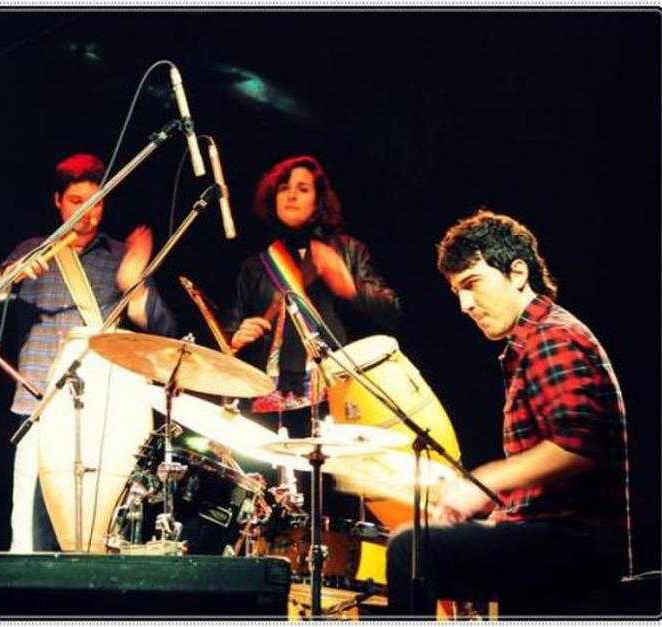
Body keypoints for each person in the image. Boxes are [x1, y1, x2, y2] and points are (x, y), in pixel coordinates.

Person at [385, 210, 631, 616]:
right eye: (456, 292)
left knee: (410, 549)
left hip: (575, 547)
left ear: (517, 273)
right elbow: (545, 484)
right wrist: (480, 503)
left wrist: (485, 480)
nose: (464, 304)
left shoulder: (554, 337)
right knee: (433, 543)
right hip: (554, 538)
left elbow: (578, 447)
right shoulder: (537, 339)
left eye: (472, 283)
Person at [0, 153, 177, 552]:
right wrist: (7, 279)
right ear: (57, 201)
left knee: (96, 534)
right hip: (39, 405)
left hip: (104, 413)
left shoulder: (119, 255)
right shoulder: (32, 250)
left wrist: (135, 287)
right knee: (29, 534)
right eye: (77, 201)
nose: (87, 213)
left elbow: (165, 331)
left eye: (96, 203)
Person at [225, 155, 401, 416]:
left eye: (303, 189)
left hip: (339, 394)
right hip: (269, 401)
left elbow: (392, 313)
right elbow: (227, 338)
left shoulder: (347, 250)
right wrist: (237, 338)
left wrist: (350, 288)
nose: (291, 195)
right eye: (284, 188)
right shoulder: (255, 267)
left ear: (318, 201)